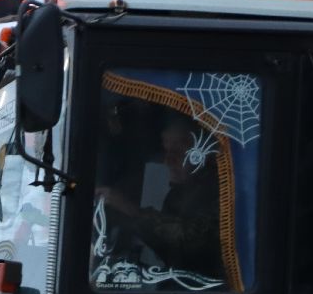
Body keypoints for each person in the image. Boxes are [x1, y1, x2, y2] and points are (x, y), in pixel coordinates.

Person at [96, 112, 224, 284]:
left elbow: (189, 241)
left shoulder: (222, 192)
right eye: (166, 150)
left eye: (180, 150)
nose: (168, 160)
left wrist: (131, 210)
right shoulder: (178, 193)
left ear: (206, 152)